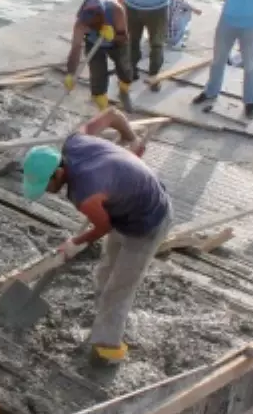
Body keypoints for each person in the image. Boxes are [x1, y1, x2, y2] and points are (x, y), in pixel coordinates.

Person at [20, 108, 172, 365]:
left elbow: (104, 227)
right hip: (125, 204)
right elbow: (112, 114)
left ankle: (107, 349)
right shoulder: (75, 141)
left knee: (120, 287)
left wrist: (75, 244)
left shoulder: (86, 194)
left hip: (149, 220)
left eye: (46, 185)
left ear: (58, 173)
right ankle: (105, 316)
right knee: (105, 272)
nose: (47, 191)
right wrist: (130, 138)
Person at [65, 0, 133, 112]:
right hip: (94, 44)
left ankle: (124, 87)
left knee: (124, 67)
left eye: (95, 24)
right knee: (97, 75)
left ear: (101, 15)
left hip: (116, 43)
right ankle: (102, 106)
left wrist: (113, 37)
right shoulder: (81, 24)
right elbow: (75, 49)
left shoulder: (116, 11)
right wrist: (71, 73)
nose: (92, 27)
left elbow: (124, 38)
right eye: (90, 25)